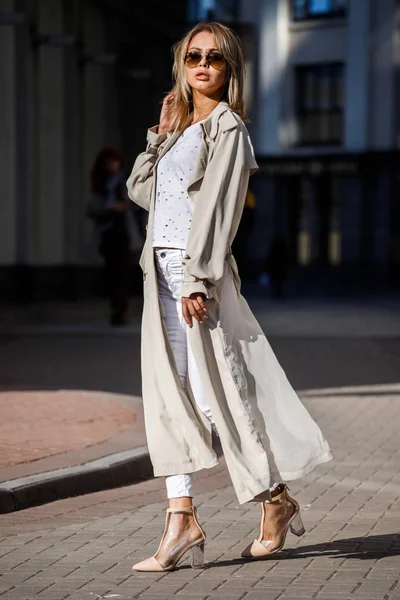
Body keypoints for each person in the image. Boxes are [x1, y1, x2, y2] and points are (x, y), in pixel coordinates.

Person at [126, 21, 333, 572]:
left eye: (215, 58)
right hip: (160, 272)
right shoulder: (178, 129)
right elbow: (142, 192)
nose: (203, 65)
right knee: (168, 397)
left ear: (229, 69)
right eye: (193, 56)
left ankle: (273, 500)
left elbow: (218, 212)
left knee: (218, 398)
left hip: (197, 276)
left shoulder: (228, 129)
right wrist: (158, 136)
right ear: (181, 64)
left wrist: (196, 276)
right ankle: (181, 519)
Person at [87, 147, 134, 326]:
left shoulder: (125, 181)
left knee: (123, 273)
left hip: (124, 233)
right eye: (108, 163)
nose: (112, 166)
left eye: (114, 162)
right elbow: (90, 208)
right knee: (111, 273)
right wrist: (106, 208)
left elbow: (137, 203)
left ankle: (121, 308)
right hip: (107, 233)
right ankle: (115, 306)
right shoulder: (100, 184)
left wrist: (124, 207)